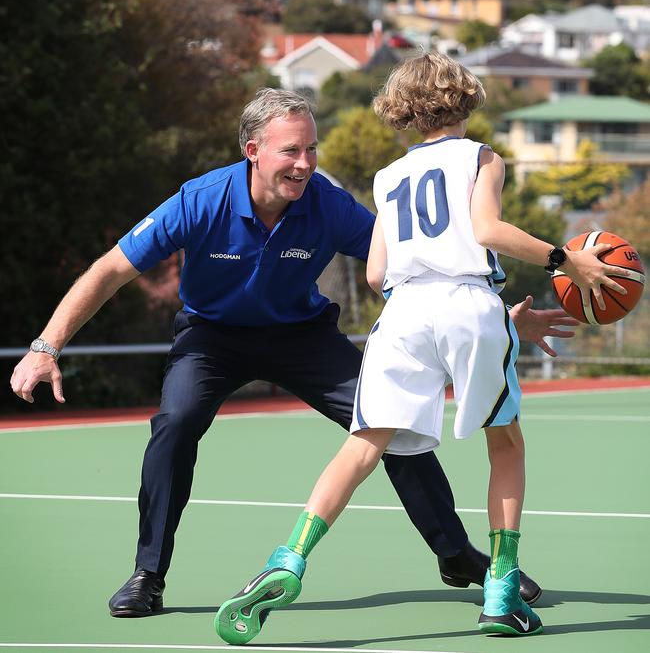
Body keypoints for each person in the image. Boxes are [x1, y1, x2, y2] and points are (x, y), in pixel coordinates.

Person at [12, 88, 577, 619]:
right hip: (212, 339)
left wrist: (501, 318)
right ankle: (148, 574)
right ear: (252, 152)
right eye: (291, 151)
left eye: (311, 148)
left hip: (302, 336)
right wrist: (46, 346)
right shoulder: (201, 201)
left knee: (393, 420)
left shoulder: (327, 205)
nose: (305, 163)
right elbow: (111, 268)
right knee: (175, 424)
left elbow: (420, 266)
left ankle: (457, 556)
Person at [215, 62, 634, 643]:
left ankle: (288, 559)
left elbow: (376, 274)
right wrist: (565, 260)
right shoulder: (482, 157)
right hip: (467, 303)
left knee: (363, 446)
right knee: (505, 443)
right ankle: (502, 592)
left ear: (403, 110)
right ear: (466, 100)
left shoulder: (388, 177)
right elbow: (486, 231)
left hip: (403, 314)